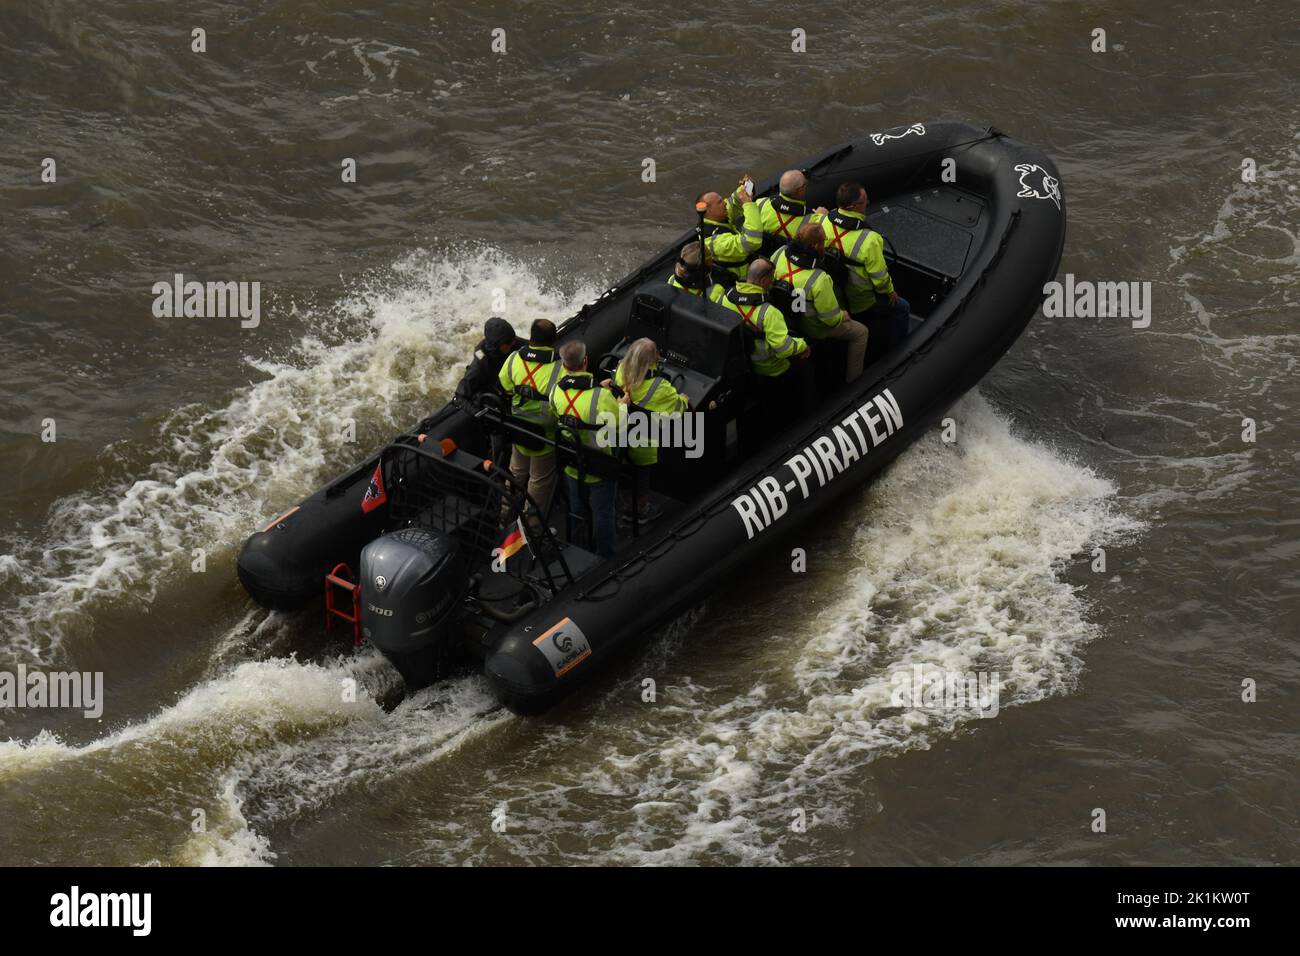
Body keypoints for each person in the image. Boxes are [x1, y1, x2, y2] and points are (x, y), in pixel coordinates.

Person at [720, 258, 811, 437]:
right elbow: (784, 348)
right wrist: (803, 344)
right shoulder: (769, 313)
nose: (773, 281)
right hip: (772, 369)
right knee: (803, 375)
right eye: (771, 278)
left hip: (743, 367)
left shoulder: (725, 298)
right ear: (763, 281)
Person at [822, 182, 911, 362]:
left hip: (834, 295)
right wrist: (890, 292)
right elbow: (879, 278)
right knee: (903, 307)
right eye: (864, 201)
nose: (867, 203)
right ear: (853, 207)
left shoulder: (823, 222)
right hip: (861, 301)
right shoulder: (870, 240)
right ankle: (897, 354)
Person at [771, 224, 868, 383]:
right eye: (823, 242)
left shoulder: (780, 253)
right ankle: (855, 382)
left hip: (787, 321)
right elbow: (830, 319)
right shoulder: (818, 279)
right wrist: (842, 315)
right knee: (862, 332)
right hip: (814, 328)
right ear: (815, 246)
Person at [550, 340, 621, 557]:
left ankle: (578, 549)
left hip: (572, 463)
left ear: (564, 365)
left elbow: (556, 414)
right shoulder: (602, 397)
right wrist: (623, 403)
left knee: (576, 507)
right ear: (586, 361)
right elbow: (618, 423)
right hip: (599, 465)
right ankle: (605, 555)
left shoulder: (555, 391)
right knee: (603, 513)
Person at [418, 317, 522, 464]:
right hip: (493, 406)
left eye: (513, 340)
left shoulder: (511, 343)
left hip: (512, 395)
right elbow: (460, 397)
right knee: (500, 447)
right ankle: (498, 473)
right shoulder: (480, 366)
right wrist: (480, 415)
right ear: (497, 345)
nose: (513, 343)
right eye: (509, 343)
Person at [609, 337, 688, 522]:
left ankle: (622, 500)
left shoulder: (620, 370)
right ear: (652, 359)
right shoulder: (660, 386)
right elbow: (677, 411)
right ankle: (642, 509)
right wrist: (683, 399)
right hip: (642, 441)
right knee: (642, 473)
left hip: (617, 434)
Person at [497, 319, 562, 522]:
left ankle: (504, 514)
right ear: (553, 341)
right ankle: (531, 528)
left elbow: (505, 385)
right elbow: (564, 403)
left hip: (519, 428)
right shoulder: (560, 368)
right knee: (539, 483)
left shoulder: (514, 359)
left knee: (516, 473)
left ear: (531, 337)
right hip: (545, 435)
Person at [696, 175, 764, 282]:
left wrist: (746, 186)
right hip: (740, 280)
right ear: (708, 211)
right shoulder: (715, 242)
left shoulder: (714, 216)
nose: (724, 203)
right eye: (719, 202)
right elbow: (751, 241)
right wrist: (748, 204)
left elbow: (735, 202)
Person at [756, 169, 828, 243]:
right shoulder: (814, 220)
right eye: (805, 184)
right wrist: (822, 217)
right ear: (799, 191)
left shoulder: (761, 203)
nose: (806, 185)